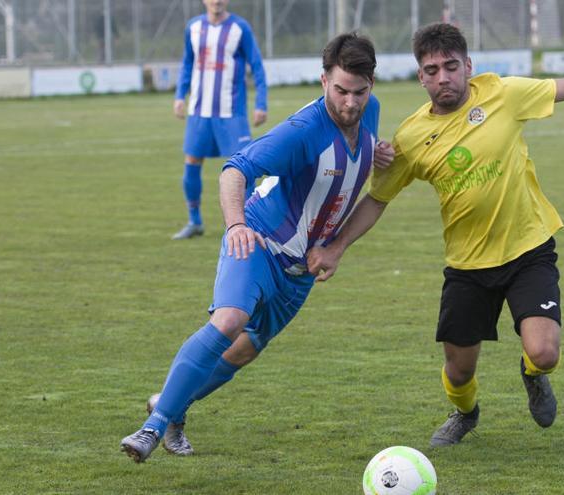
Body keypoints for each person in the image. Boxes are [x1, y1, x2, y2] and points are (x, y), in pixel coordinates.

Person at [306, 23, 564, 447]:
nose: (443, 77)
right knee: (459, 371)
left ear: (468, 66)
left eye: (451, 66)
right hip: (467, 266)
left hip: (529, 250)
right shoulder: (411, 138)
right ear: (420, 77)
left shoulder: (503, 94)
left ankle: (533, 374)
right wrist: (337, 247)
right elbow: (378, 199)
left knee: (544, 351)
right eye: (431, 70)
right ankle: (465, 413)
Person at [121, 32, 394, 462]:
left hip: (301, 270)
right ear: (324, 81)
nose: (350, 103)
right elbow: (235, 170)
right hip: (259, 241)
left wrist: (375, 153)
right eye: (340, 91)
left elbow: (354, 171)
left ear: (371, 86)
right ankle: (150, 430)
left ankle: (170, 406)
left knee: (245, 348)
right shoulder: (303, 130)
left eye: (359, 93)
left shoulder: (370, 112)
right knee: (230, 320)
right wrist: (234, 226)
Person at [171, 0, 269, 240]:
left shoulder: (240, 28)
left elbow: (256, 65)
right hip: (199, 111)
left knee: (244, 167)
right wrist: (179, 96)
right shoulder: (193, 27)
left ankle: (251, 222)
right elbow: (187, 64)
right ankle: (195, 221)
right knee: (191, 162)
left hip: (231, 112)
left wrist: (261, 103)